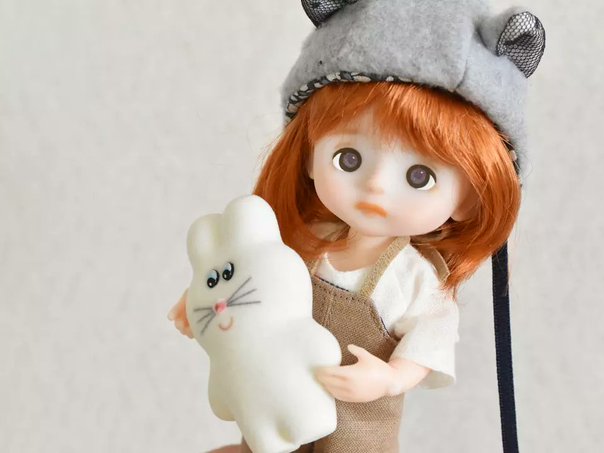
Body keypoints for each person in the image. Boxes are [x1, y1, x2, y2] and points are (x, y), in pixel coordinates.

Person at [169, 0, 545, 451]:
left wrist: (389, 378)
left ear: (467, 199)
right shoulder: (308, 242)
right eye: (348, 159)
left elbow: (429, 341)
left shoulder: (414, 278)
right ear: (310, 157)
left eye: (419, 176)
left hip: (358, 430)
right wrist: (199, 302)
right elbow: (246, 280)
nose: (375, 188)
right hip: (279, 410)